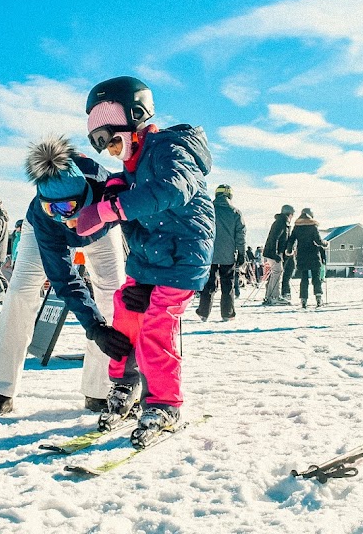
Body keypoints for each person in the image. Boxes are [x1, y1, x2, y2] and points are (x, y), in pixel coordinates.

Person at [76, 75, 213, 448]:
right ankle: (126, 384)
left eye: (111, 138)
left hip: (184, 255)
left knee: (156, 323)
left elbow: (172, 190)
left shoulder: (172, 148)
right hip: (150, 256)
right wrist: (116, 193)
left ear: (135, 117)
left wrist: (111, 209)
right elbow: (140, 218)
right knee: (125, 311)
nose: (108, 150)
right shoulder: (132, 167)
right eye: (99, 143)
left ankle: (165, 403)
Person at [0, 136, 128, 419]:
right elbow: (64, 277)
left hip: (101, 228)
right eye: (50, 207)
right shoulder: (47, 219)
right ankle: (0, 389)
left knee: (112, 292)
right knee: (20, 292)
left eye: (65, 208)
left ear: (85, 198)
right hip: (42, 234)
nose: (59, 215)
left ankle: (98, 388)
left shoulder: (107, 191)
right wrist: (94, 327)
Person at [196, 185, 246, 322]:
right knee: (227, 284)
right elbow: (240, 235)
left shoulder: (207, 210)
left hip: (209, 253)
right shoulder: (235, 213)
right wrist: (242, 254)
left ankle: (203, 312)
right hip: (228, 255)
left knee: (208, 283)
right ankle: (227, 313)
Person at [285, 208, 326, 308]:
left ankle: (303, 300)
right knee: (316, 278)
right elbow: (318, 241)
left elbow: (291, 240)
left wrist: (289, 250)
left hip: (302, 255)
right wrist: (325, 243)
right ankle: (318, 298)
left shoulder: (297, 226)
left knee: (304, 278)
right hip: (313, 254)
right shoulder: (313, 226)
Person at [261, 205, 294, 306]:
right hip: (273, 253)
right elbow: (275, 238)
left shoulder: (281, 222)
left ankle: (269, 296)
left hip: (271, 252)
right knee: (277, 272)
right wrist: (275, 254)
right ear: (290, 214)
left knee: (275, 272)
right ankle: (275, 297)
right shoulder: (281, 223)